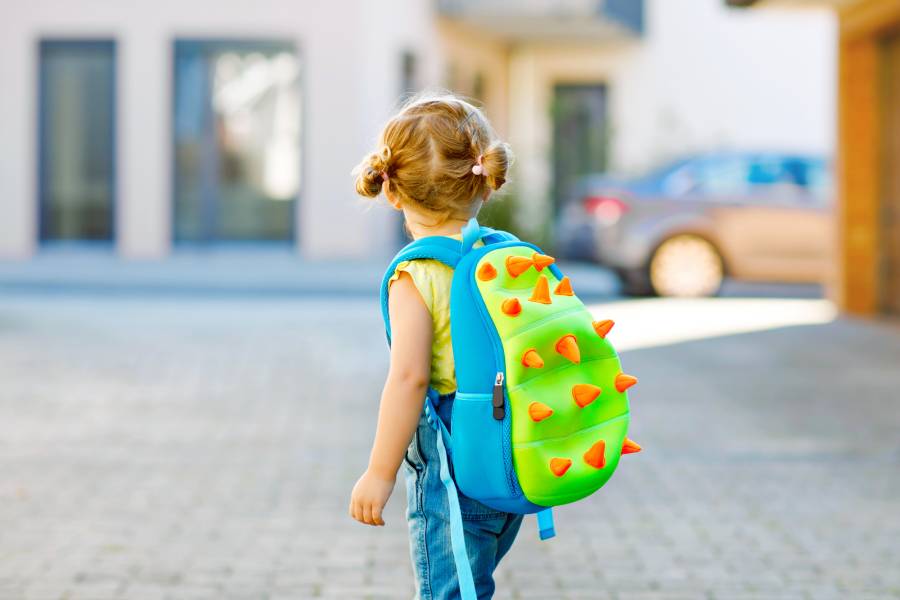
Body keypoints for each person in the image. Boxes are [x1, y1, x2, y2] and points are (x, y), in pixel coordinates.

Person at [348, 93, 522, 599]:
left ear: (394, 193)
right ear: (484, 183)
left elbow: (410, 379)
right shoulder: (500, 255)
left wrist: (379, 474)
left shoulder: (417, 273)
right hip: (510, 456)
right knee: (472, 585)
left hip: (454, 465)